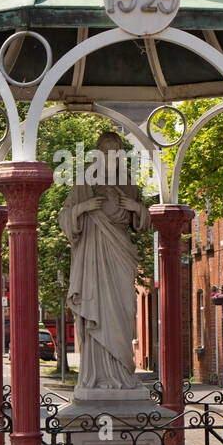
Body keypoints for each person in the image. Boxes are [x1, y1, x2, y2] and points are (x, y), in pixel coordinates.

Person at [58, 132, 149, 391]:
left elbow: (142, 222)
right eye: (108, 152)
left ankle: (122, 373)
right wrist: (82, 208)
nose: (113, 157)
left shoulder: (129, 183)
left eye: (117, 153)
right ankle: (98, 377)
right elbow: (64, 217)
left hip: (120, 253)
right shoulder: (84, 182)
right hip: (93, 256)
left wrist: (135, 207)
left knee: (123, 310)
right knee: (96, 307)